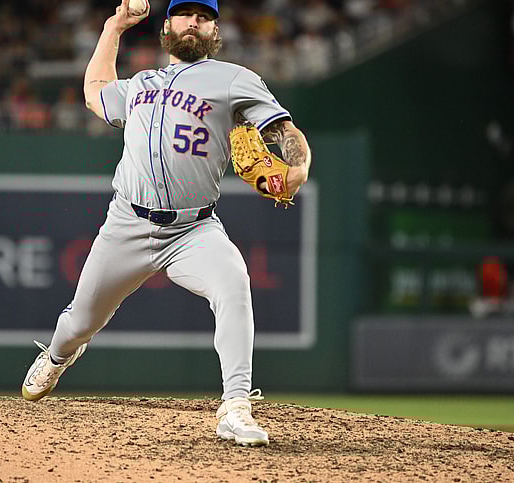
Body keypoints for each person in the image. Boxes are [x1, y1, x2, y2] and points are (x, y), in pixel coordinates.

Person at [20, 0, 312, 447]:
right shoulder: (141, 84)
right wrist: (113, 27)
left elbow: (284, 131)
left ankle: (235, 406)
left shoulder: (233, 79)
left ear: (215, 30)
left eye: (203, 16)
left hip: (193, 230)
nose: (192, 22)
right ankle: (58, 356)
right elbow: (94, 89)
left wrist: (296, 169)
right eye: (184, 14)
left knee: (234, 280)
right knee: (78, 322)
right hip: (127, 224)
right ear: (167, 25)